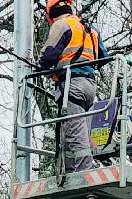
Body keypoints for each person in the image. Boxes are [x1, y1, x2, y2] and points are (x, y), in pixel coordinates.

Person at [36, 0, 106, 175]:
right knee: (71, 130)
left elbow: (48, 55)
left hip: (71, 85)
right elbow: (104, 57)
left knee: (75, 133)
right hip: (89, 86)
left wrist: (40, 67)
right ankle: (68, 172)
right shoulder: (89, 29)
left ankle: (85, 172)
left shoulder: (61, 25)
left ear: (51, 14)